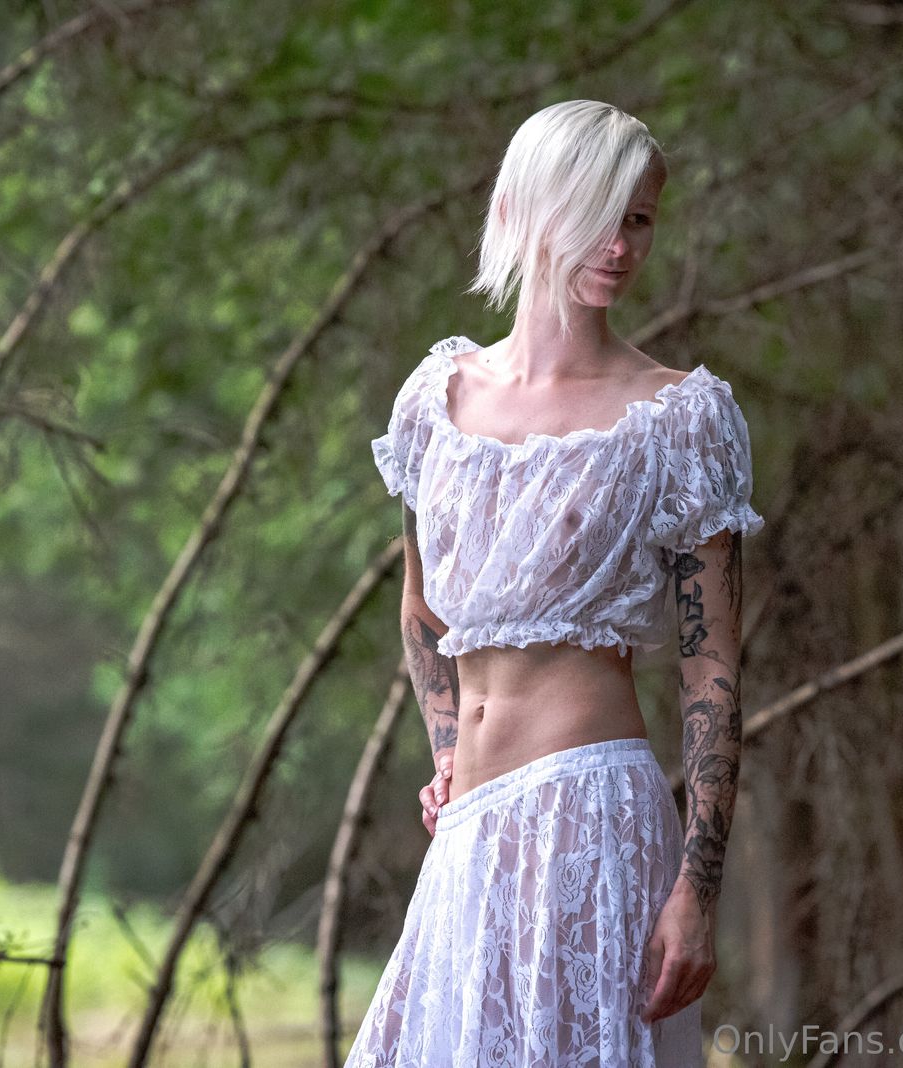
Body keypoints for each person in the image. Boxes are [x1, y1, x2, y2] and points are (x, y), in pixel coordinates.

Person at [345, 99, 764, 1068]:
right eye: (598, 215)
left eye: (639, 219)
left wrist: (696, 890)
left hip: (593, 819)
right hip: (469, 833)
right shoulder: (436, 403)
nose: (620, 246)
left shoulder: (677, 420)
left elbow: (711, 671)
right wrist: (447, 748)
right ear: (523, 210)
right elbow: (422, 608)